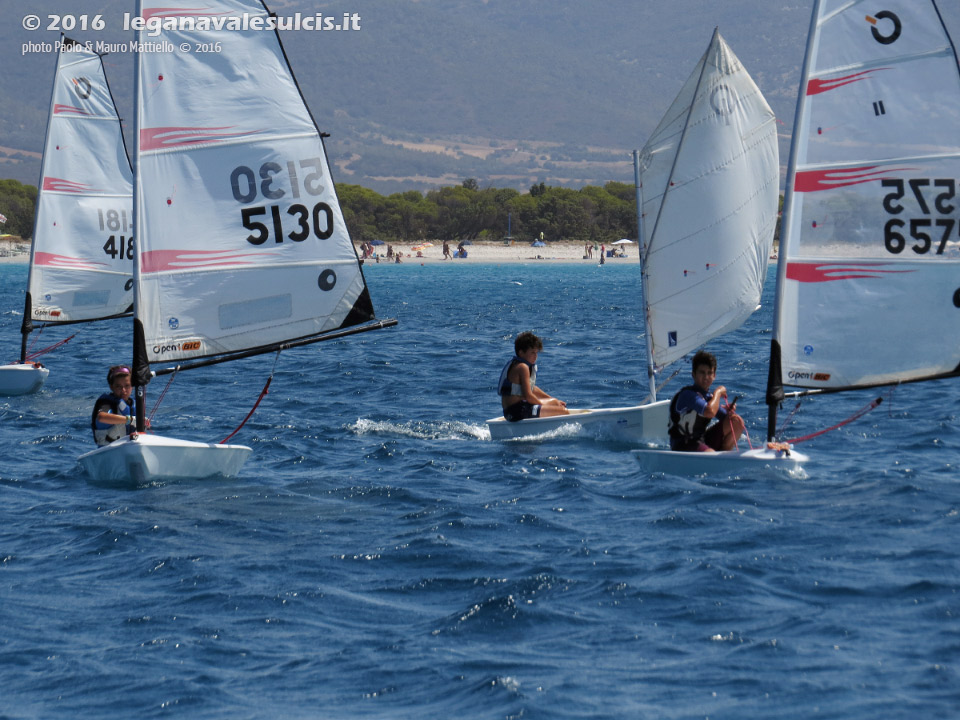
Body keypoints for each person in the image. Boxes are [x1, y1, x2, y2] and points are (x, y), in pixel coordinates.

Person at [668, 350, 744, 452]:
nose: (706, 377)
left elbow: (724, 417)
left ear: (714, 376)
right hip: (683, 444)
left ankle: (724, 455)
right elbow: (709, 411)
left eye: (709, 373)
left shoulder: (709, 398)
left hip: (701, 440)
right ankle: (714, 459)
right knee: (710, 453)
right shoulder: (688, 395)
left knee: (736, 421)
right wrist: (718, 392)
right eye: (702, 373)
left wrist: (726, 410)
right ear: (693, 375)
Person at [498, 331, 569, 422]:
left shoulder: (517, 365)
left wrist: (551, 399)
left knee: (555, 402)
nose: (535, 356)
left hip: (510, 412)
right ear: (521, 353)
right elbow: (528, 396)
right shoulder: (522, 367)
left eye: (536, 353)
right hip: (518, 411)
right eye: (532, 353)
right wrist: (543, 406)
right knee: (564, 411)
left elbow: (532, 388)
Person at [91, 365, 150, 446]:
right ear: (111, 387)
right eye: (118, 386)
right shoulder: (106, 403)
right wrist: (130, 420)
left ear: (132, 386)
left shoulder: (134, 404)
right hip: (108, 451)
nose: (123, 390)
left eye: (127, 386)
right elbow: (101, 417)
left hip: (130, 449)